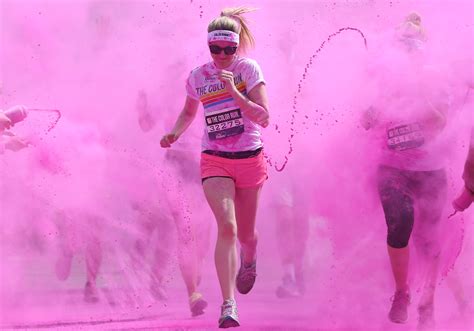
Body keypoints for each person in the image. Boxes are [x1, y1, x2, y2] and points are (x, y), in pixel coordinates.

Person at [160, 6, 269, 328]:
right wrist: (174, 133)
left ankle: (249, 260)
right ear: (208, 46)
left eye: (228, 49)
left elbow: (264, 115)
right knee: (228, 227)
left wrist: (234, 90)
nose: (222, 55)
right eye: (215, 49)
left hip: (249, 158)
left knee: (247, 235)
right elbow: (188, 112)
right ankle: (229, 304)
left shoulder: (248, 69)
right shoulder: (197, 76)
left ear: (237, 47)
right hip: (214, 160)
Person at [362, 12, 452, 330]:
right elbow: (366, 122)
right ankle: (402, 293)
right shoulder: (383, 83)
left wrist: (417, 89)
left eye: (412, 50)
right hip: (392, 167)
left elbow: (440, 124)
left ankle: (428, 301)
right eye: (402, 49)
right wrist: (377, 106)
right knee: (400, 223)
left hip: (430, 169)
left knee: (429, 241)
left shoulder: (437, 81)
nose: (407, 56)